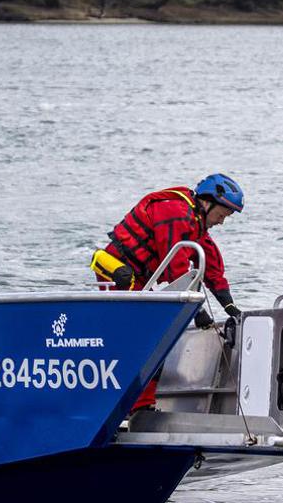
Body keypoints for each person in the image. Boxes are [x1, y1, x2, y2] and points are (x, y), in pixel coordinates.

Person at [92, 174, 245, 412]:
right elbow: (175, 263)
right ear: (208, 203)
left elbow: (213, 269)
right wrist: (197, 311)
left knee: (152, 338)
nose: (221, 222)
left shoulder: (196, 226)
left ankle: (141, 406)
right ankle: (133, 406)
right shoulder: (174, 212)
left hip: (142, 281)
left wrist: (230, 307)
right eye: (222, 215)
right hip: (117, 273)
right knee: (145, 338)